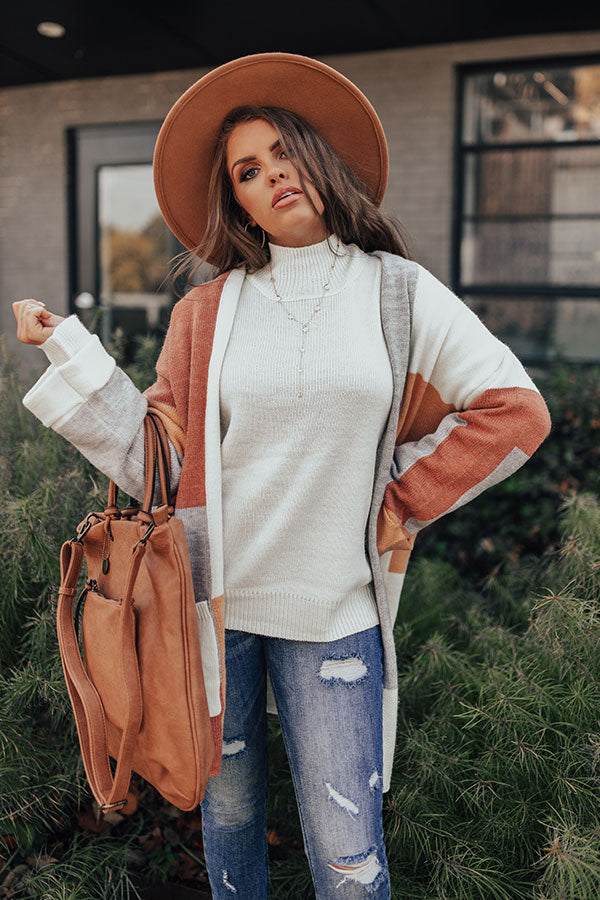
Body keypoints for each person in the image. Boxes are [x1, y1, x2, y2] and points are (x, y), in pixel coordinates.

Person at [13, 52, 552, 899]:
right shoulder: (208, 311)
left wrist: (398, 504)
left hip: (335, 612)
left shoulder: (400, 295)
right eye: (249, 172)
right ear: (239, 201)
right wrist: (69, 351)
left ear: (320, 159)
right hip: (214, 614)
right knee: (229, 841)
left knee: (348, 860)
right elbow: (160, 463)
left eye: (283, 153)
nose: (273, 177)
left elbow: (515, 411)